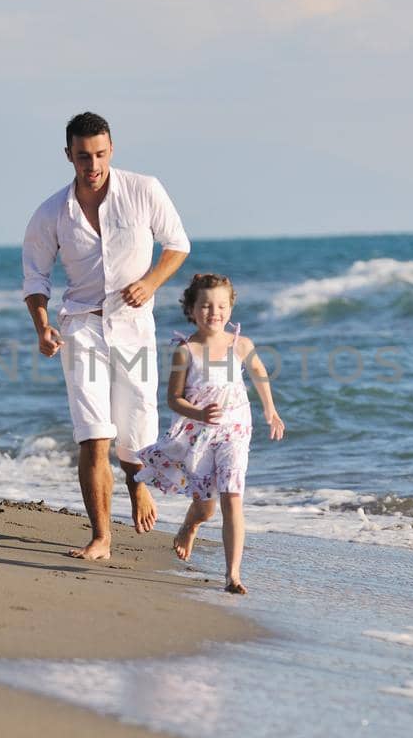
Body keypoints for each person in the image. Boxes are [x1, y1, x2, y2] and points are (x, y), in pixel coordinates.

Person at [22, 112, 190, 560]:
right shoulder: (51, 212)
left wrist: (151, 282)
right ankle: (100, 536)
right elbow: (35, 279)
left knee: (136, 430)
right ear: (68, 156)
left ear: (111, 148)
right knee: (94, 434)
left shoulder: (144, 189)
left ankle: (137, 484)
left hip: (134, 327)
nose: (91, 165)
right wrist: (43, 326)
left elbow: (177, 244)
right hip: (82, 327)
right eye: (82, 157)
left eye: (98, 154)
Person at [136, 273, 284, 594]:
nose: (213, 312)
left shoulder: (241, 345)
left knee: (232, 496)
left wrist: (270, 410)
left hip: (236, 430)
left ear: (231, 307)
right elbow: (173, 399)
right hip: (199, 434)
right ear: (191, 309)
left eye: (220, 305)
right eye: (205, 306)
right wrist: (198, 413)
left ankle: (233, 575)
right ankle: (190, 525)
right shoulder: (185, 351)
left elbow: (259, 373)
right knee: (206, 507)